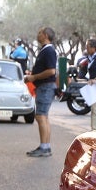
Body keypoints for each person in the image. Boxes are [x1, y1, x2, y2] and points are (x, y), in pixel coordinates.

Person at [23, 27, 58, 157]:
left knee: (41, 116)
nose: (37, 35)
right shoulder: (46, 50)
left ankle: (44, 147)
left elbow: (51, 71)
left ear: (45, 35)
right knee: (44, 117)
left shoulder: (48, 50)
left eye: (39, 33)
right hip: (45, 86)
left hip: (45, 86)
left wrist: (34, 77)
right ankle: (46, 146)